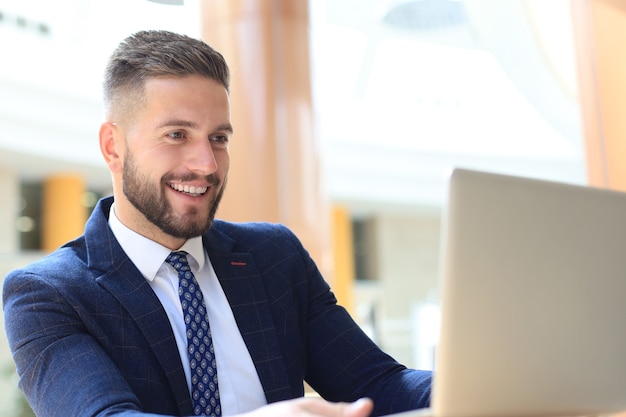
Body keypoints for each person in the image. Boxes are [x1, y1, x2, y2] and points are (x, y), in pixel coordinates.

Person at [2, 30, 431, 417]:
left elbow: (377, 383)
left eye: (219, 139)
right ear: (113, 147)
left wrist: (470, 381)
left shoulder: (275, 257)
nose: (206, 164)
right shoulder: (47, 295)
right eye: (177, 135)